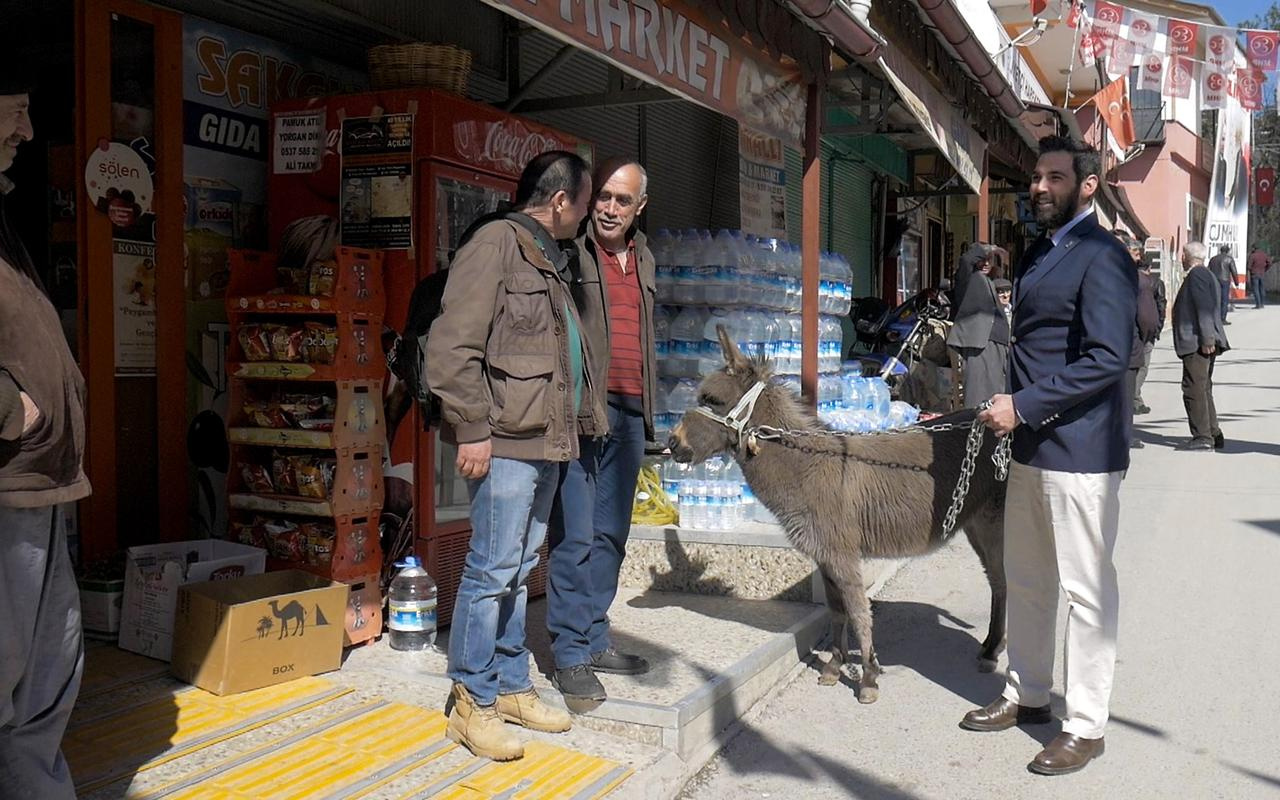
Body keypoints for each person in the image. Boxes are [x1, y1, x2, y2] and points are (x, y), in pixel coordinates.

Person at [425, 151, 607, 761]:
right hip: (503, 440)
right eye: (584, 204)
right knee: (492, 567)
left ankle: (507, 685)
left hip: (547, 440)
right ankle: (469, 703)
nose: (587, 217)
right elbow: (453, 346)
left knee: (522, 563)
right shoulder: (495, 245)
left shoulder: (549, 257)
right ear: (560, 201)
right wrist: (471, 427)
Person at [966, 136, 1136, 777]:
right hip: (1033, 445)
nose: (1038, 186)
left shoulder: (1103, 255)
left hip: (1083, 451)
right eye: (1036, 176)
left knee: (1087, 593)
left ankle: (1087, 726)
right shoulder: (1045, 249)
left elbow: (1106, 359)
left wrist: (1024, 405)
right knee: (1030, 579)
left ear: (1087, 185)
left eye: (1054, 177)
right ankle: (1028, 693)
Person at [0, 79, 90, 799]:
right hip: (8, 479)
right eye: (14, 110)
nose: (26, 131)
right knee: (7, 665)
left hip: (39, 483)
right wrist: (10, 409)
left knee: (49, 666)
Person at [547, 158, 657, 703]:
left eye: (623, 200)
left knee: (612, 532)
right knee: (576, 535)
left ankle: (594, 637)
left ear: (640, 208)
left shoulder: (646, 259)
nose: (611, 208)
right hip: (582, 412)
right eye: (605, 197)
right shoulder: (570, 253)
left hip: (631, 411)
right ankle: (568, 652)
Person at [1171, 242, 1229, 451]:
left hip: (1197, 342)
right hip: (1202, 341)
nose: (1181, 260)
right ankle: (1213, 432)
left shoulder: (1198, 276)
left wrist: (1207, 340)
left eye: (1182, 255)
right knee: (1203, 387)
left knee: (1194, 388)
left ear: (1188, 256)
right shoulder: (1206, 275)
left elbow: (1204, 309)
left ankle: (1202, 436)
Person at [946, 243, 1010, 408]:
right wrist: (991, 249)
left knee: (998, 392)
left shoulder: (988, 280)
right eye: (982, 260)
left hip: (997, 343)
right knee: (980, 396)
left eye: (989, 260)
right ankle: (977, 430)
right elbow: (966, 260)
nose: (986, 263)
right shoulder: (968, 279)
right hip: (981, 344)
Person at [1130, 239, 1166, 415]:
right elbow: (1160, 307)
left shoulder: (1130, 279)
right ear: (1149, 268)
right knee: (1142, 366)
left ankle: (1135, 397)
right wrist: (1157, 328)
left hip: (1137, 330)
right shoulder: (1153, 283)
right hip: (1145, 331)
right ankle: (1134, 398)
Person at [1206, 244, 1237, 323]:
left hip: (1214, 280)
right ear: (1228, 251)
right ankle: (1222, 318)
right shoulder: (1229, 259)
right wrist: (1236, 282)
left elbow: (1208, 269)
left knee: (1215, 298)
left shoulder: (1213, 259)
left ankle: (1214, 317)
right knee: (1224, 299)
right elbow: (1234, 271)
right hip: (1225, 280)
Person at [1247, 244, 1271, 309]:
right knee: (1262, 289)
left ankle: (1258, 304)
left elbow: (1249, 266)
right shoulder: (1264, 255)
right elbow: (1269, 263)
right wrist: (1265, 269)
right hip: (1262, 273)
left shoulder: (1252, 256)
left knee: (1256, 289)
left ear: (1254, 248)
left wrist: (1248, 275)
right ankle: (1262, 304)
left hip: (1254, 274)